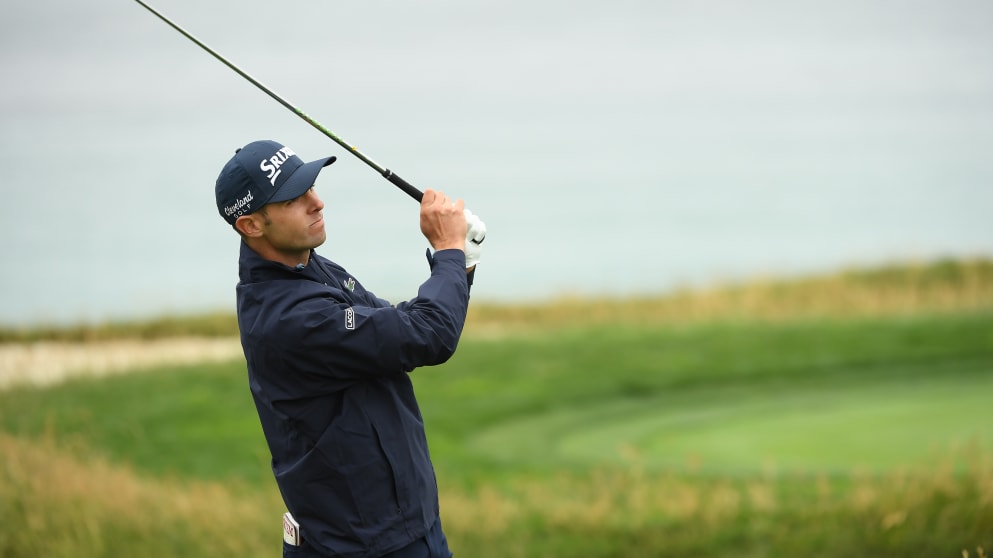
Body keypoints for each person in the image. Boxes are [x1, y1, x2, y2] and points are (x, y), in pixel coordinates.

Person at [214, 140, 485, 558]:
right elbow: (428, 334)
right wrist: (448, 251)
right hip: (364, 546)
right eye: (293, 198)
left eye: (311, 186)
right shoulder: (290, 318)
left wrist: (460, 262)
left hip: (410, 529)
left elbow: (401, 328)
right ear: (251, 225)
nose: (317, 202)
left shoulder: (309, 267)